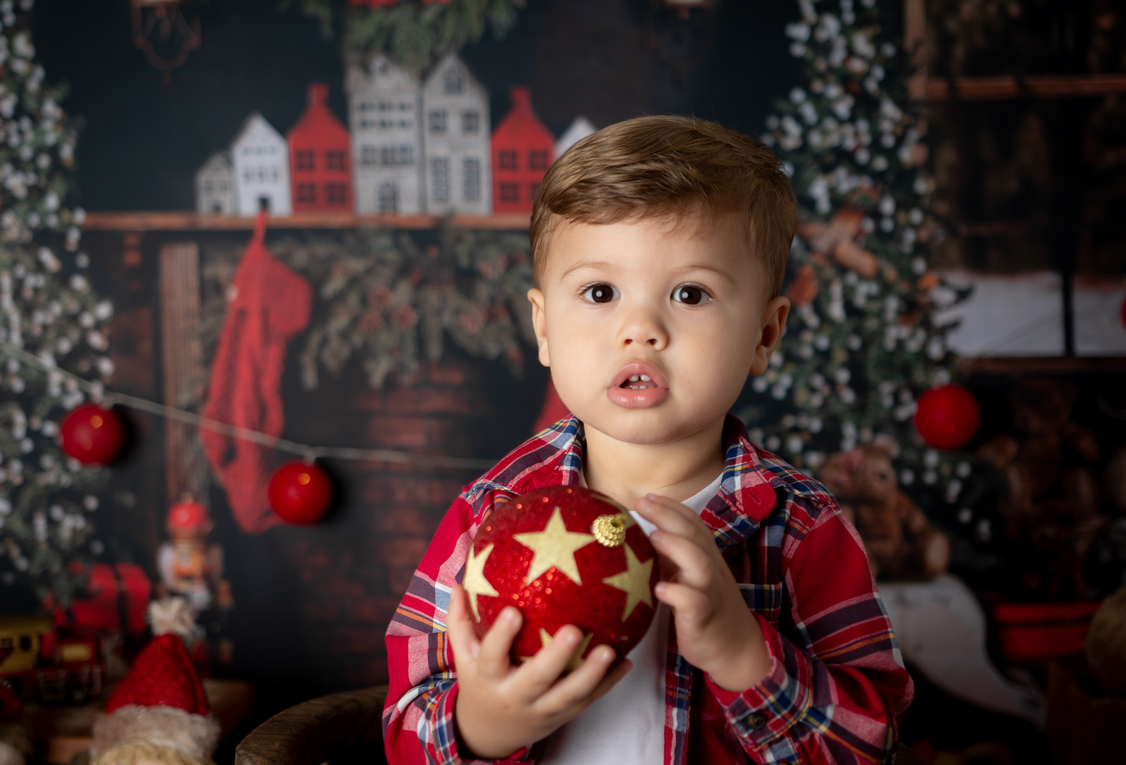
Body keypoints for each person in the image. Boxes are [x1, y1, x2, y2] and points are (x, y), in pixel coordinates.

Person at [383, 115, 913, 765]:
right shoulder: (493, 513)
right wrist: (481, 725)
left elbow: (874, 744)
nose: (640, 328)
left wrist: (746, 655)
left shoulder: (802, 530)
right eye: (600, 292)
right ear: (544, 328)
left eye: (691, 293)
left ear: (764, 336)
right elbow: (405, 722)